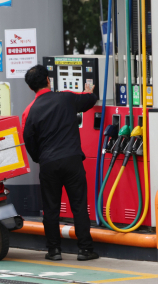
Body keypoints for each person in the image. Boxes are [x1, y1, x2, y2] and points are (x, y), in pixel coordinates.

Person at [21, 65, 99, 261]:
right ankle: (85, 250)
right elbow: (89, 100)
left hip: (48, 164)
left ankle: (54, 251)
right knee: (79, 205)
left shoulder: (29, 111)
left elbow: (28, 141)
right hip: (72, 160)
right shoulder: (66, 98)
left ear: (31, 88)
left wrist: (41, 158)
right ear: (48, 80)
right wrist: (89, 91)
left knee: (51, 208)